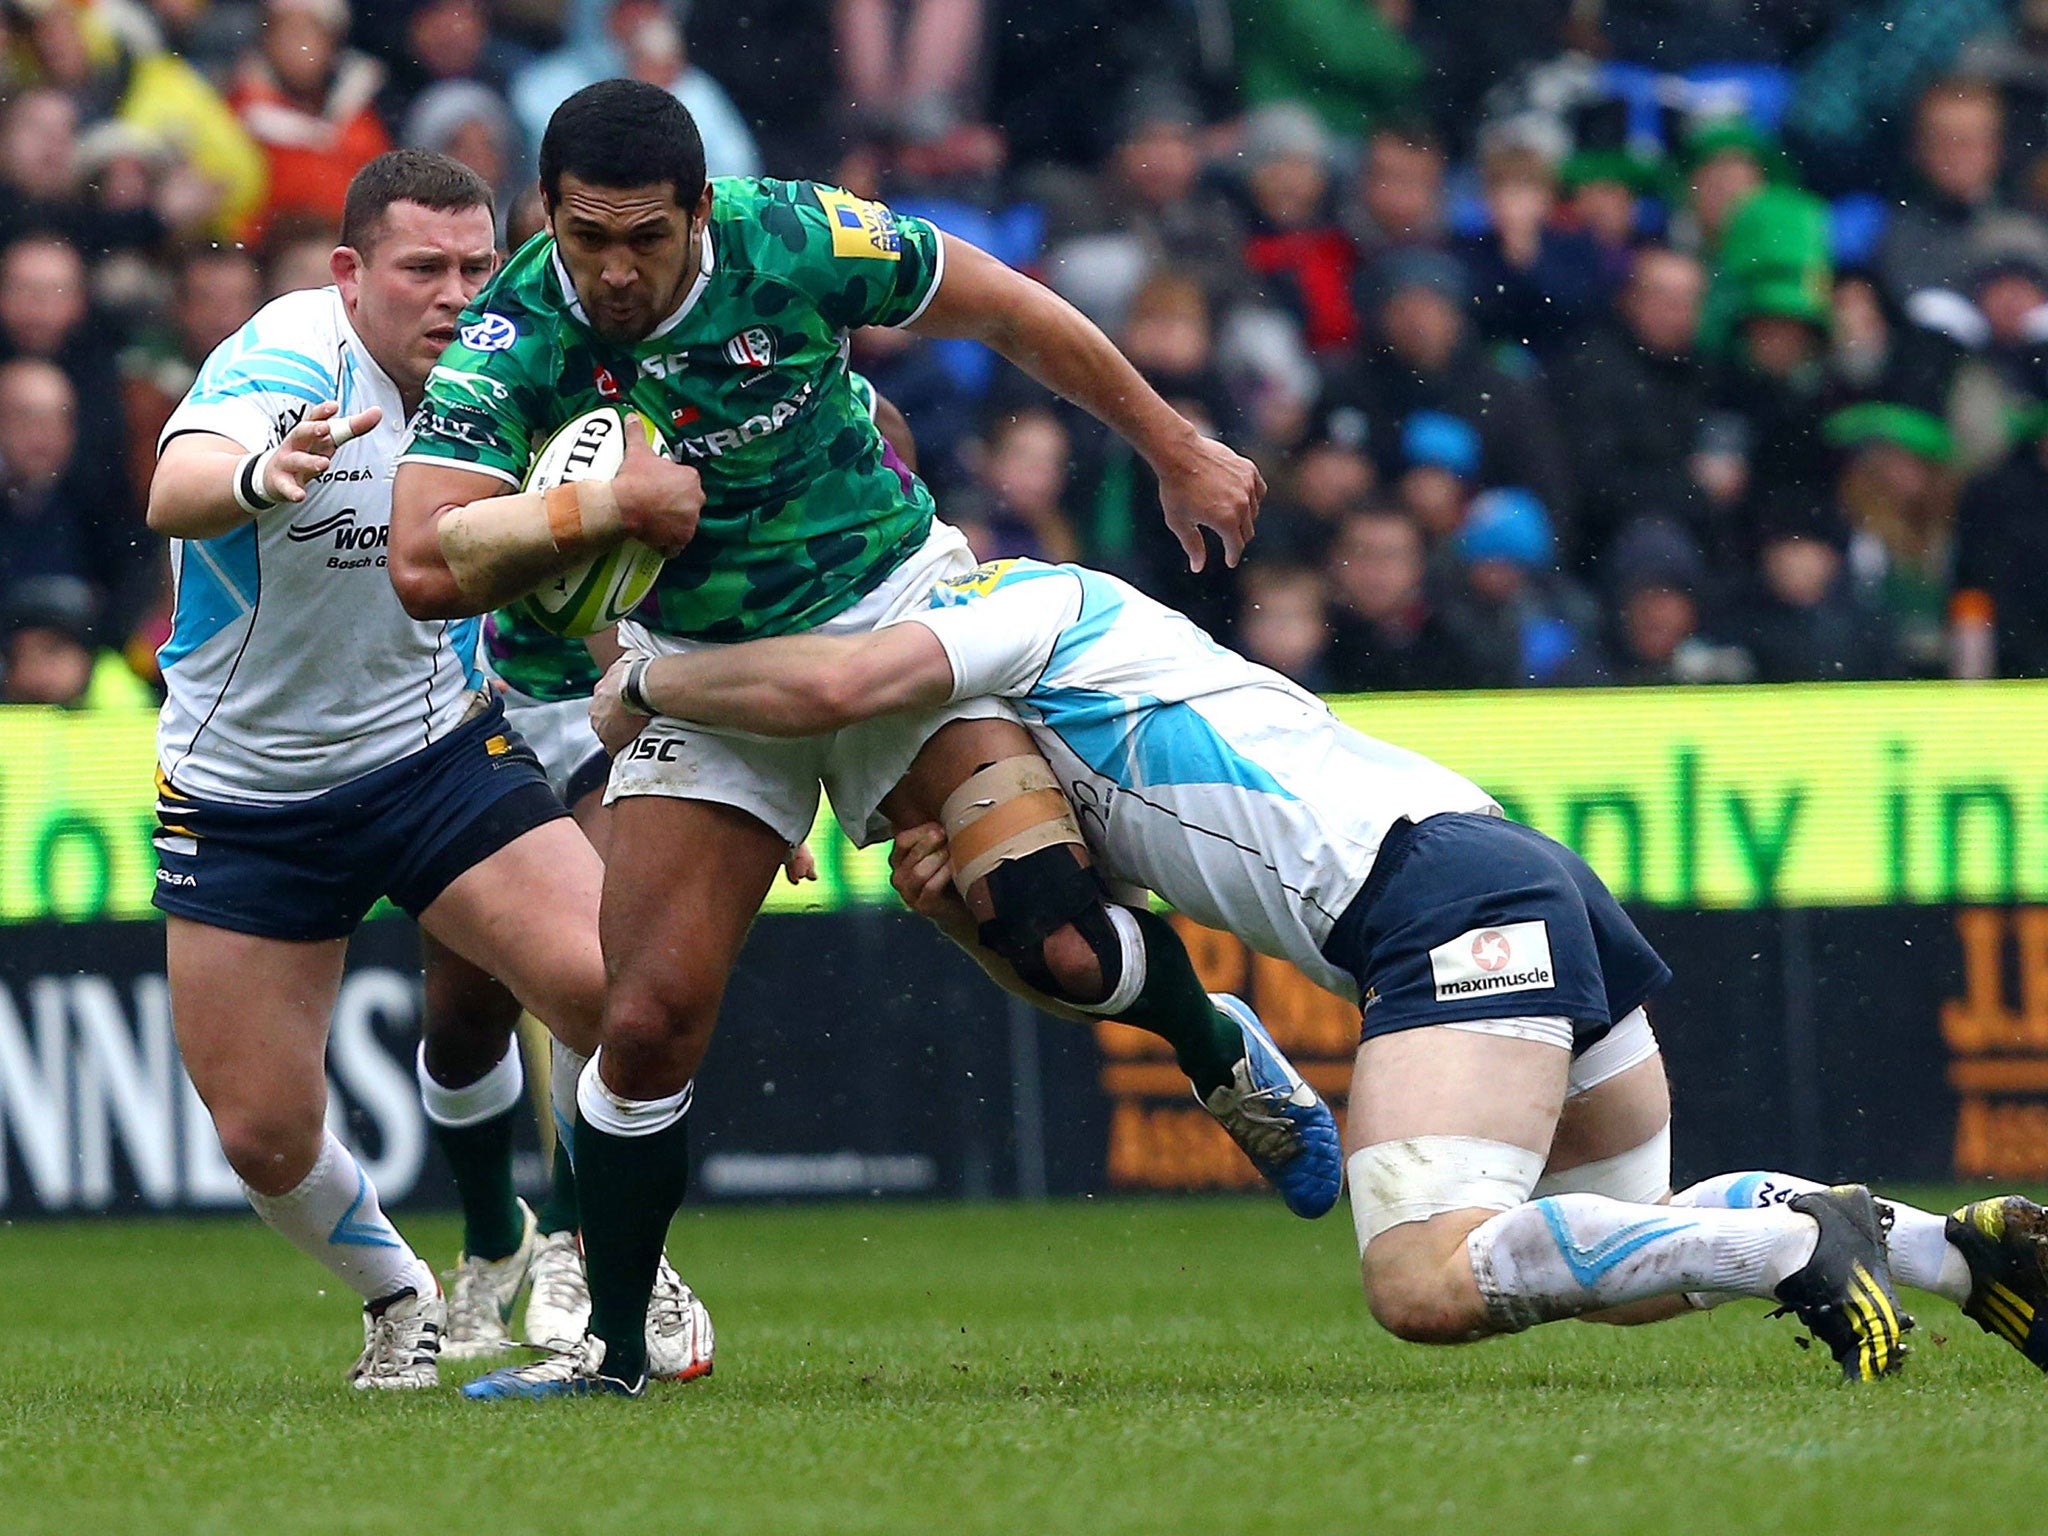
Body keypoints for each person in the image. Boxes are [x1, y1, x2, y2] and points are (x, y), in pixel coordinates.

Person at [590, 552, 2048, 1385]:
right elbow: (1088, 950)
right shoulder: (1025, 688)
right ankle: (1936, 1245)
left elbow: (851, 683)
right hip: (1506, 867)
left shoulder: (1020, 611)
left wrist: (641, 673)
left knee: (1423, 1278)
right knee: (1638, 1260)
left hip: (1437, 904)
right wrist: (961, 899)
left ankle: (1794, 1246)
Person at [388, 80, 1304, 1399]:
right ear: (548, 216)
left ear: (702, 213)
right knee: (642, 1019)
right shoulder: (516, 330)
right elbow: (425, 560)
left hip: (896, 612)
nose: (615, 270)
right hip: (704, 682)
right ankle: (611, 1357)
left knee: (1050, 929)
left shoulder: (800, 236)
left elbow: (1004, 304)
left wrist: (1171, 444)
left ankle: (1215, 1049)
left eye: (645, 238)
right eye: (588, 238)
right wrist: (593, 510)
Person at [143, 149, 711, 1390]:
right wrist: (258, 473)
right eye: (421, 269)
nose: (455, 295)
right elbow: (173, 484)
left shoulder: (519, 367)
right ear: (350, 276)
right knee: (261, 1133)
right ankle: (400, 1296)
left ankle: (613, 1259)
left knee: (618, 996)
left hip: (433, 753)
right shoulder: (291, 356)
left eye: (474, 266)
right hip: (245, 794)